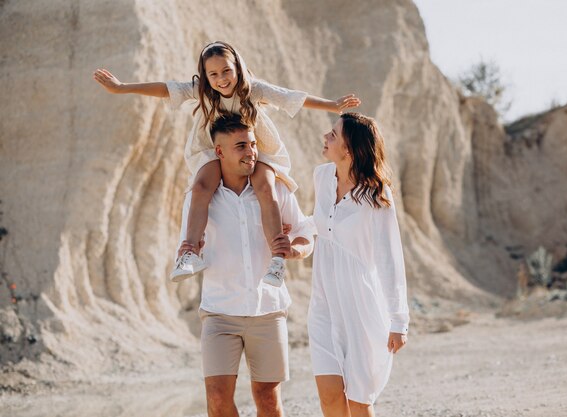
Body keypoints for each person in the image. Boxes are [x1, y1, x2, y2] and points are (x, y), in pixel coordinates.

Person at [93, 41, 360, 286]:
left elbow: (289, 97)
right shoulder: (204, 91)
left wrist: (332, 105)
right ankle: (189, 253)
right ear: (206, 76)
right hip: (213, 149)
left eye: (226, 71)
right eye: (214, 75)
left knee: (266, 188)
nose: (221, 79)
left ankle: (277, 260)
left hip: (256, 148)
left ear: (237, 68)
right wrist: (121, 87)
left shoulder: (253, 89)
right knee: (200, 187)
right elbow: (166, 88)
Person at [179, 113, 314, 417]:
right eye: (241, 145)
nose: (251, 151)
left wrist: (295, 251)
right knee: (216, 398)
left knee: (267, 398)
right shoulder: (200, 198)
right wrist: (191, 249)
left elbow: (306, 234)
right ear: (220, 152)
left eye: (253, 144)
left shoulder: (276, 190)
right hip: (219, 312)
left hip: (267, 311)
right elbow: (185, 246)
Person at [308, 113, 410, 416]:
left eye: (334, 135)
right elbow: (319, 225)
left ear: (350, 148)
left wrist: (398, 320)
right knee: (329, 398)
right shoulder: (321, 177)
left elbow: (389, 257)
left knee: (358, 401)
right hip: (323, 303)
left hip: (362, 307)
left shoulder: (377, 194)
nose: (325, 137)